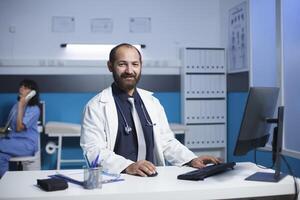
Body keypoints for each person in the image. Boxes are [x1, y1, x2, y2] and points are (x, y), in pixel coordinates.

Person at [80, 43, 221, 177]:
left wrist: (191, 159)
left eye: (135, 64)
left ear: (141, 66)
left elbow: (166, 141)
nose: (129, 70)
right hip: (118, 178)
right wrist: (128, 166)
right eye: (122, 64)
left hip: (152, 178)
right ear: (110, 66)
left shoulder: (152, 103)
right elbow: (94, 151)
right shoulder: (96, 106)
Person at [0, 79, 40, 178]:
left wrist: (21, 106)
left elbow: (19, 128)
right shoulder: (15, 106)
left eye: (25, 87)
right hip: (12, 141)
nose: (21, 88)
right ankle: (5, 184)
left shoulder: (34, 109)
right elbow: (9, 127)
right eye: (21, 86)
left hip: (26, 144)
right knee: (1, 157)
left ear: (32, 93)